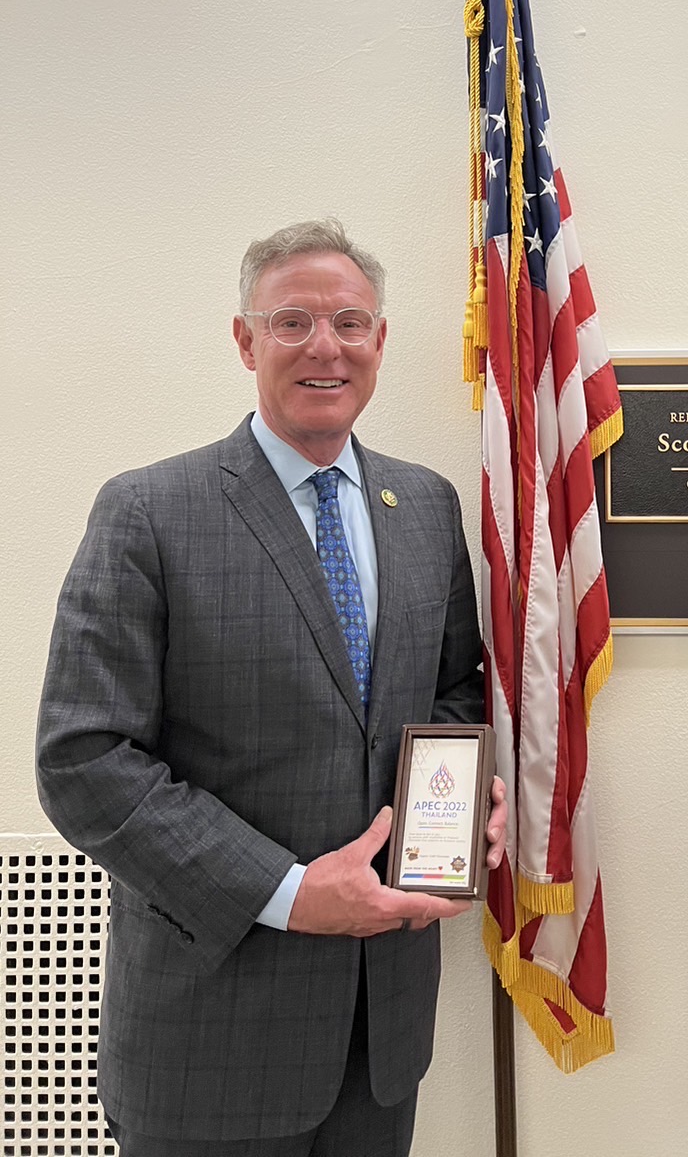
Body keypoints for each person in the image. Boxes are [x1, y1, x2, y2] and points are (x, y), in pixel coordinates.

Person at [37, 218, 507, 1157]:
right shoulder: (148, 510)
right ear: (245, 340)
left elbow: (453, 691)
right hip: (209, 1035)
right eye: (291, 321)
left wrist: (455, 806)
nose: (323, 345)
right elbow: (85, 758)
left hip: (381, 1037)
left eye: (348, 321)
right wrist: (288, 891)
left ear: (379, 341)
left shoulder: (424, 507)